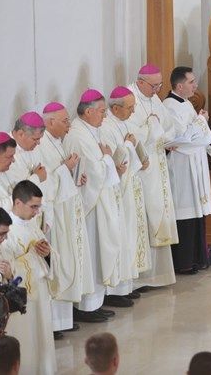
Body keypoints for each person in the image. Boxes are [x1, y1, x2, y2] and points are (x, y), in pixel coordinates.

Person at [63, 89, 122, 323]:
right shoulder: (78, 135)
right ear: (88, 112)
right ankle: (86, 306)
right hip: (90, 206)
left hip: (99, 201)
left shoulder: (90, 130)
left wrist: (106, 158)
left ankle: (95, 303)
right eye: (102, 111)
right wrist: (107, 158)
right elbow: (94, 171)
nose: (105, 116)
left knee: (98, 254)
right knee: (91, 254)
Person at [38, 102, 94, 326]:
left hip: (68, 211)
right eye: (64, 121)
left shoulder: (56, 142)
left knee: (70, 262)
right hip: (56, 216)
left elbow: (59, 177)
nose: (69, 124)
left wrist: (75, 178)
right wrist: (66, 169)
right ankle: (56, 323)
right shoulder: (42, 146)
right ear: (50, 122)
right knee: (60, 266)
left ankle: (66, 319)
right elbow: (45, 183)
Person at [126, 64, 179, 289]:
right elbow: (130, 134)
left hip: (158, 164)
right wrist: (152, 127)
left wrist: (164, 136)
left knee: (158, 213)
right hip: (142, 168)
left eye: (160, 85)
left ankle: (158, 275)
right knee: (144, 217)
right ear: (140, 82)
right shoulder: (130, 99)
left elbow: (169, 125)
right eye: (153, 85)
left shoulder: (153, 98)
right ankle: (141, 278)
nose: (157, 90)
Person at [163, 67, 211, 273]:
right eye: (191, 82)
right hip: (182, 166)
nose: (195, 85)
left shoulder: (186, 103)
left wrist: (200, 121)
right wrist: (201, 121)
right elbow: (180, 138)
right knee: (185, 213)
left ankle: (197, 258)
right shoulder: (169, 106)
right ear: (179, 85)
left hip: (194, 162)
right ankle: (183, 262)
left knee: (196, 212)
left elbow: (194, 134)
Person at [2, 181, 55, 374]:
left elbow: (47, 256)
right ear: (18, 203)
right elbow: (4, 267)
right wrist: (32, 255)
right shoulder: (5, 230)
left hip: (40, 294)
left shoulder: (32, 225)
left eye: (38, 206)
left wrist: (47, 254)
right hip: (21, 298)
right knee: (26, 340)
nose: (37, 212)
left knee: (40, 336)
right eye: (33, 206)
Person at [102, 86, 149, 304]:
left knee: (131, 235)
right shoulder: (106, 128)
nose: (133, 111)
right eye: (130, 107)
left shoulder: (125, 122)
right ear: (116, 108)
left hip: (131, 185)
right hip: (120, 188)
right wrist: (128, 145)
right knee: (122, 236)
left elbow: (135, 148)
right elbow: (115, 162)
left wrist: (139, 152)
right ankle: (115, 291)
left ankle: (127, 285)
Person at [5, 113, 49, 223]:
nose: (38, 143)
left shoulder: (33, 147)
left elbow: (45, 178)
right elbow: (15, 192)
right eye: (35, 139)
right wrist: (36, 178)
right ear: (21, 134)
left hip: (37, 213)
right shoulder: (6, 153)